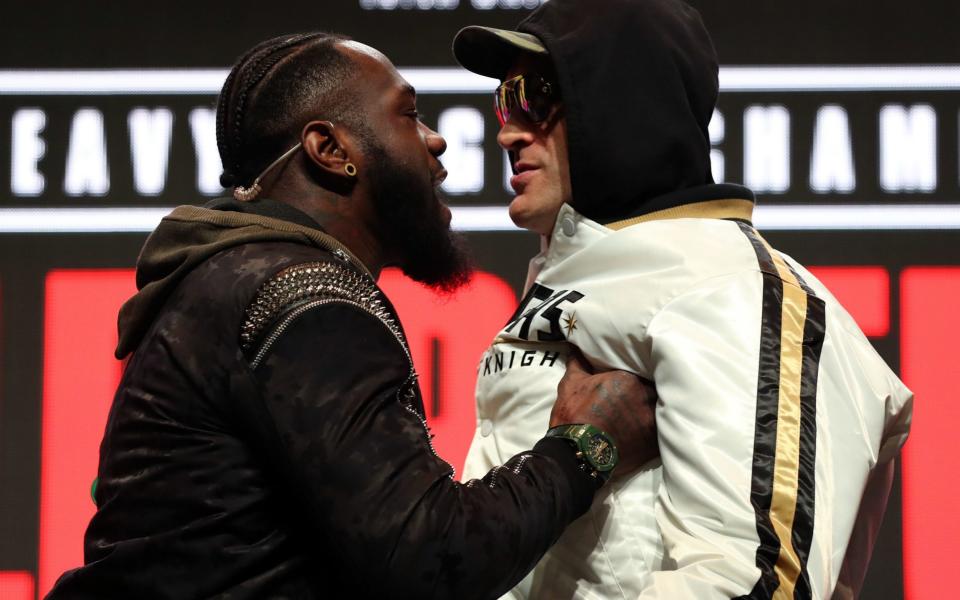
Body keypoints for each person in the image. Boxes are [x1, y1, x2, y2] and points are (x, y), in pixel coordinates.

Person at [46, 32, 661, 599]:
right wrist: (587, 445)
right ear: (330, 149)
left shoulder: (234, 278)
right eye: (409, 114)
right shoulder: (305, 297)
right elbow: (432, 556)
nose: (436, 140)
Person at [453, 0, 913, 598]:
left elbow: (751, 581)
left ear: (622, 98)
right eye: (503, 100)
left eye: (534, 94)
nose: (508, 128)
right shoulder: (578, 275)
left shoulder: (732, 290)